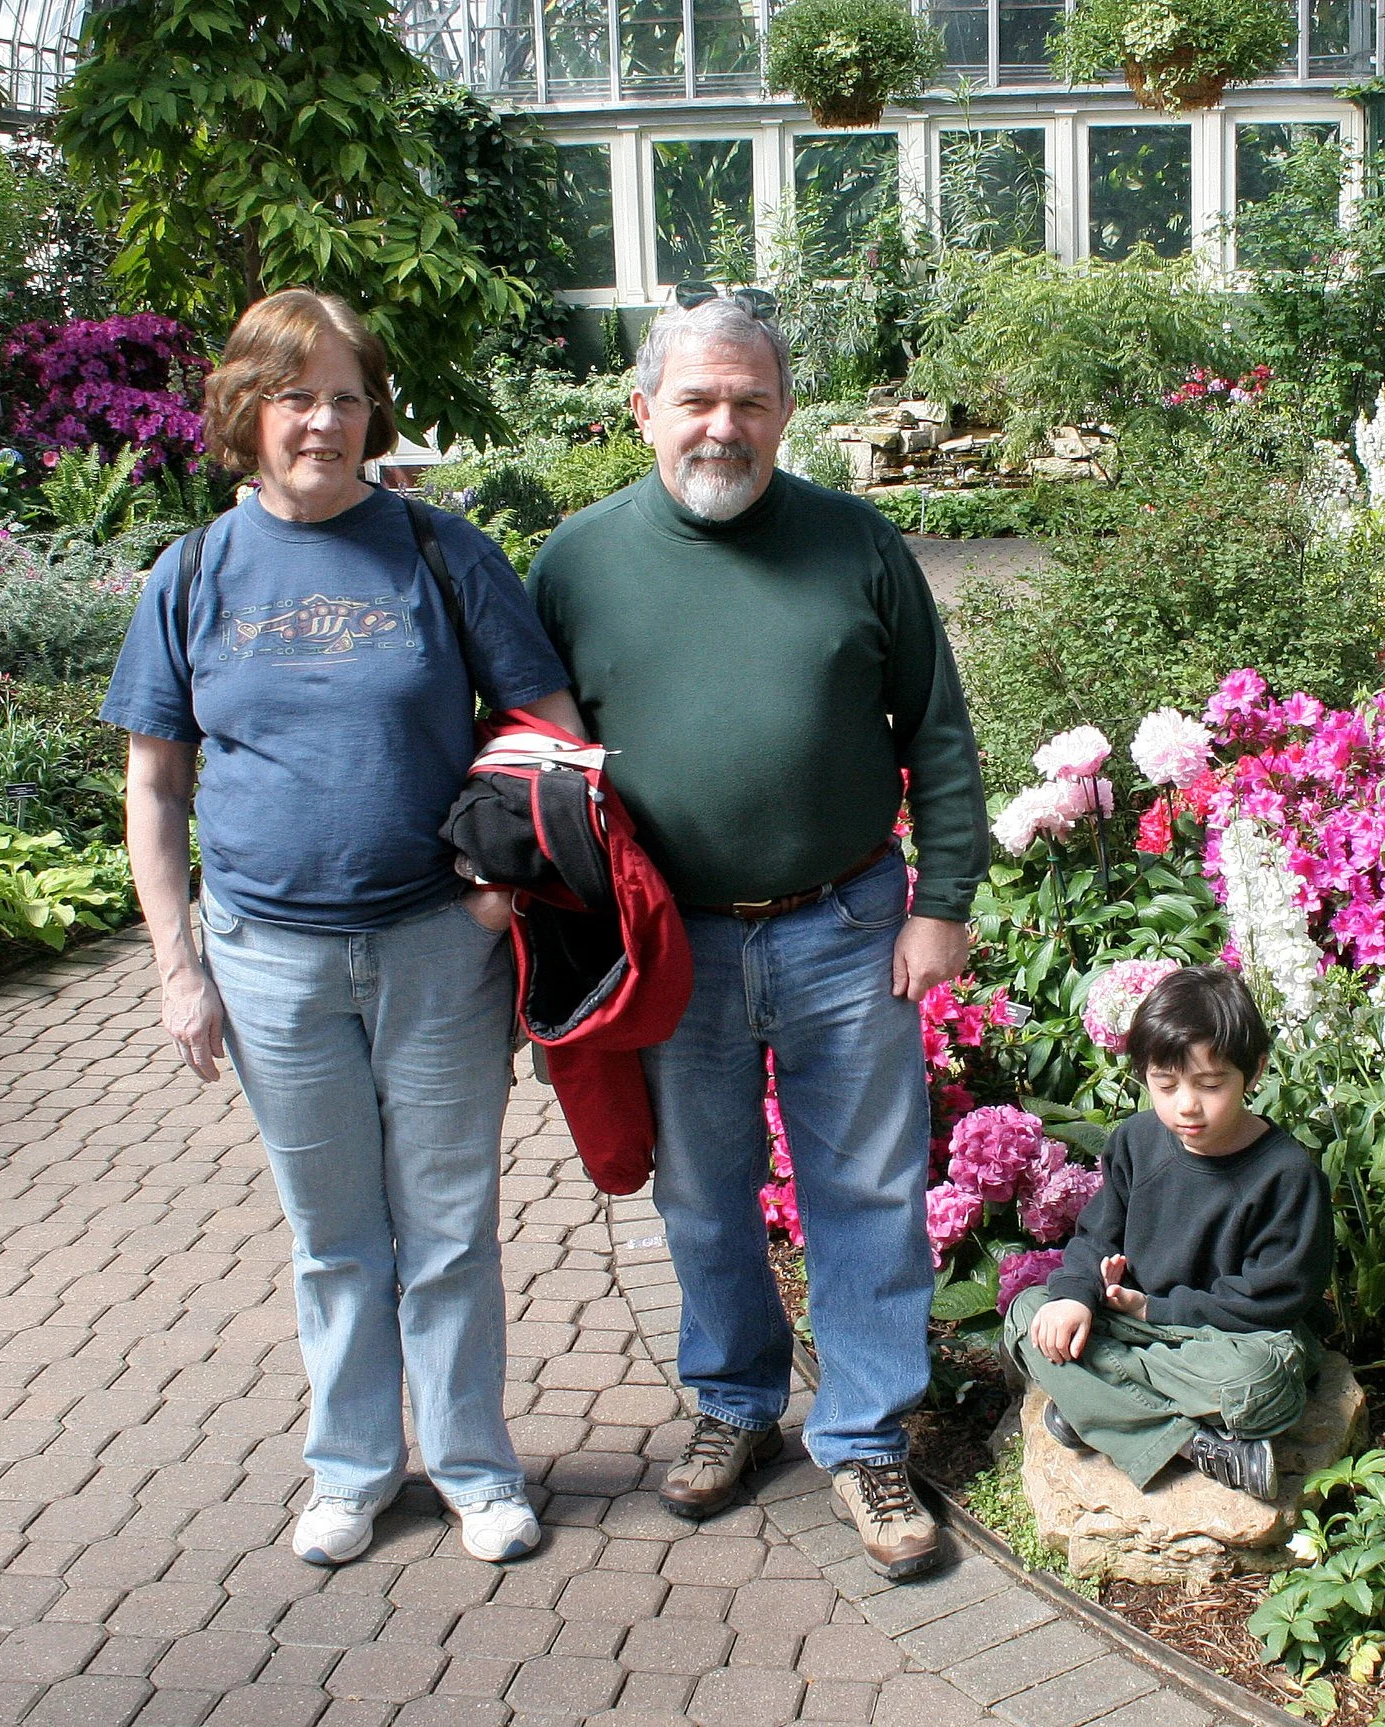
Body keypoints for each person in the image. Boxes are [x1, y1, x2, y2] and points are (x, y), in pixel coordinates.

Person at [102, 289, 587, 1567]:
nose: (324, 419)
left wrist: (501, 890)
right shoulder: (196, 571)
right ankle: (355, 1468)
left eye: (348, 395)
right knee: (331, 1237)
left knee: (444, 1224)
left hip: (437, 947)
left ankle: (477, 1466)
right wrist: (179, 966)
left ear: (375, 412)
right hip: (270, 961)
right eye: (296, 394)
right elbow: (156, 783)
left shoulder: (439, 551)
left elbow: (551, 730)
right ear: (247, 410)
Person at [526, 298, 988, 1579]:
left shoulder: (857, 543)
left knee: (869, 1191)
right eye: (696, 400)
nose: (721, 425)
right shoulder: (575, 563)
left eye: (748, 400)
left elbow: (936, 731)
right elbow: (528, 756)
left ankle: (865, 1434)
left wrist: (942, 901)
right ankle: (734, 1403)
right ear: (644, 412)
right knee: (701, 1194)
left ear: (785, 412)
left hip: (848, 924)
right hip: (678, 946)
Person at [1005, 965, 1334, 1500]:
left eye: (1210, 1084)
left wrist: (1153, 1309)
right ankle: (1194, 1443)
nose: (1187, 1105)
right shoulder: (1136, 1141)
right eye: (1165, 1085)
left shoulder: (1287, 1175)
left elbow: (1274, 1299)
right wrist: (1081, 1296)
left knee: (1258, 1381)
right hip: (1141, 1326)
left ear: (1254, 1072)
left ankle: (1099, 1412)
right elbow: (1096, 1237)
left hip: (1229, 1339)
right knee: (1031, 1314)